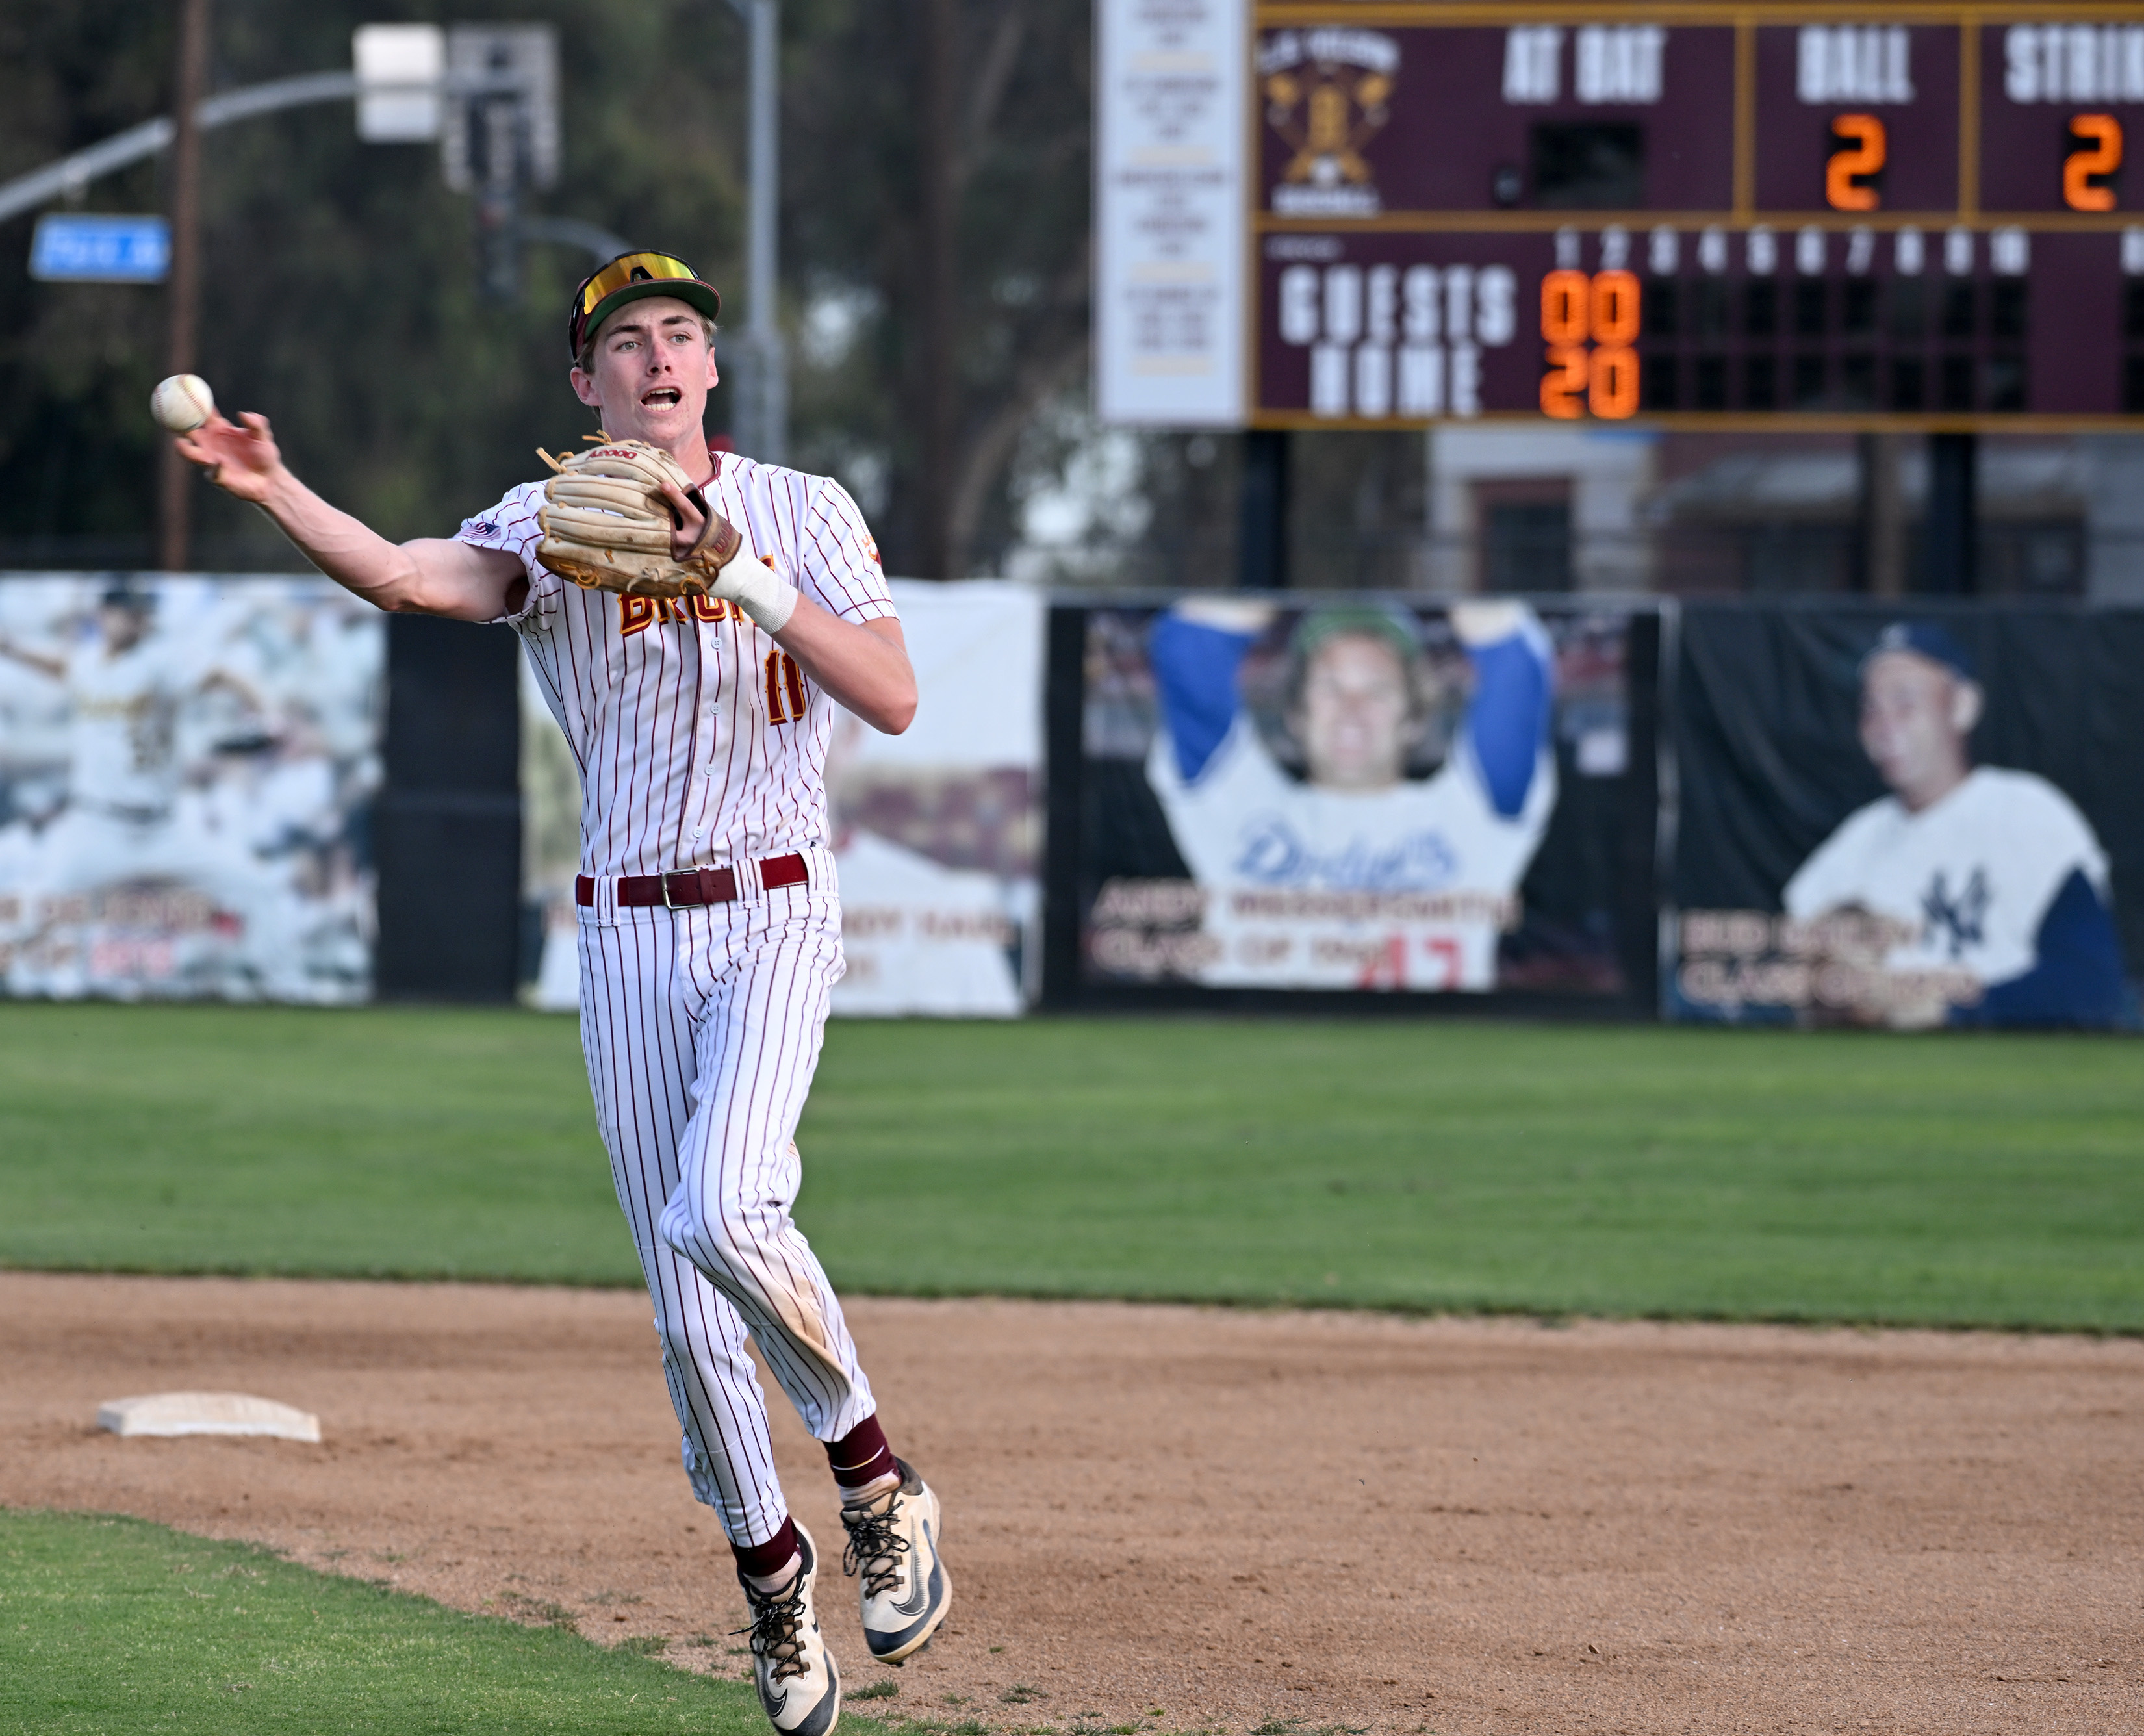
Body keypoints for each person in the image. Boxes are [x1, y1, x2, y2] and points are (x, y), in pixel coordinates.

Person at [173, 251, 949, 1736]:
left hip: (778, 907)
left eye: (680, 333)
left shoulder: (804, 510)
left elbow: (894, 693)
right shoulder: (547, 522)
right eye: (623, 340)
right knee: (684, 1311)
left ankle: (873, 1478)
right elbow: (409, 575)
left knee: (720, 1210)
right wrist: (277, 488)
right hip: (626, 938)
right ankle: (773, 1583)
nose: (657, 355)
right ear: (583, 383)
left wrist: (737, 568)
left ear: (711, 368)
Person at [1141, 596, 1557, 989]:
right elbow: (1190, 644)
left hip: (1430, 1056)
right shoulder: (1238, 806)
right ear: (1296, 715)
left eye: (1377, 691)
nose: (1351, 709)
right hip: (1259, 1057)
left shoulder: (1469, 817)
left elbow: (1517, 661)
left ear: (1413, 719)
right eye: (1330, 687)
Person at [1783, 620, 2128, 1028]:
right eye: (1870, 707)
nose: (1884, 724)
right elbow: (1787, 988)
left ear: (1963, 706)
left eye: (1905, 702)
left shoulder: (2026, 813)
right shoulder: (1854, 845)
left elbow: (2092, 986)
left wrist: (1950, 1009)